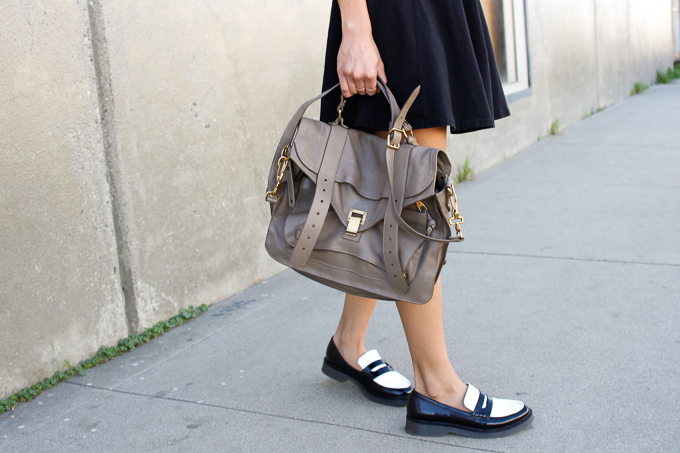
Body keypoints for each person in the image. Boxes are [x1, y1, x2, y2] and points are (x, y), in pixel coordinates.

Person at [317, 0, 534, 438]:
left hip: (430, 11)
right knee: (413, 199)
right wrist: (356, 26)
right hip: (398, 13)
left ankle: (348, 342)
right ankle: (437, 386)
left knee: (392, 193)